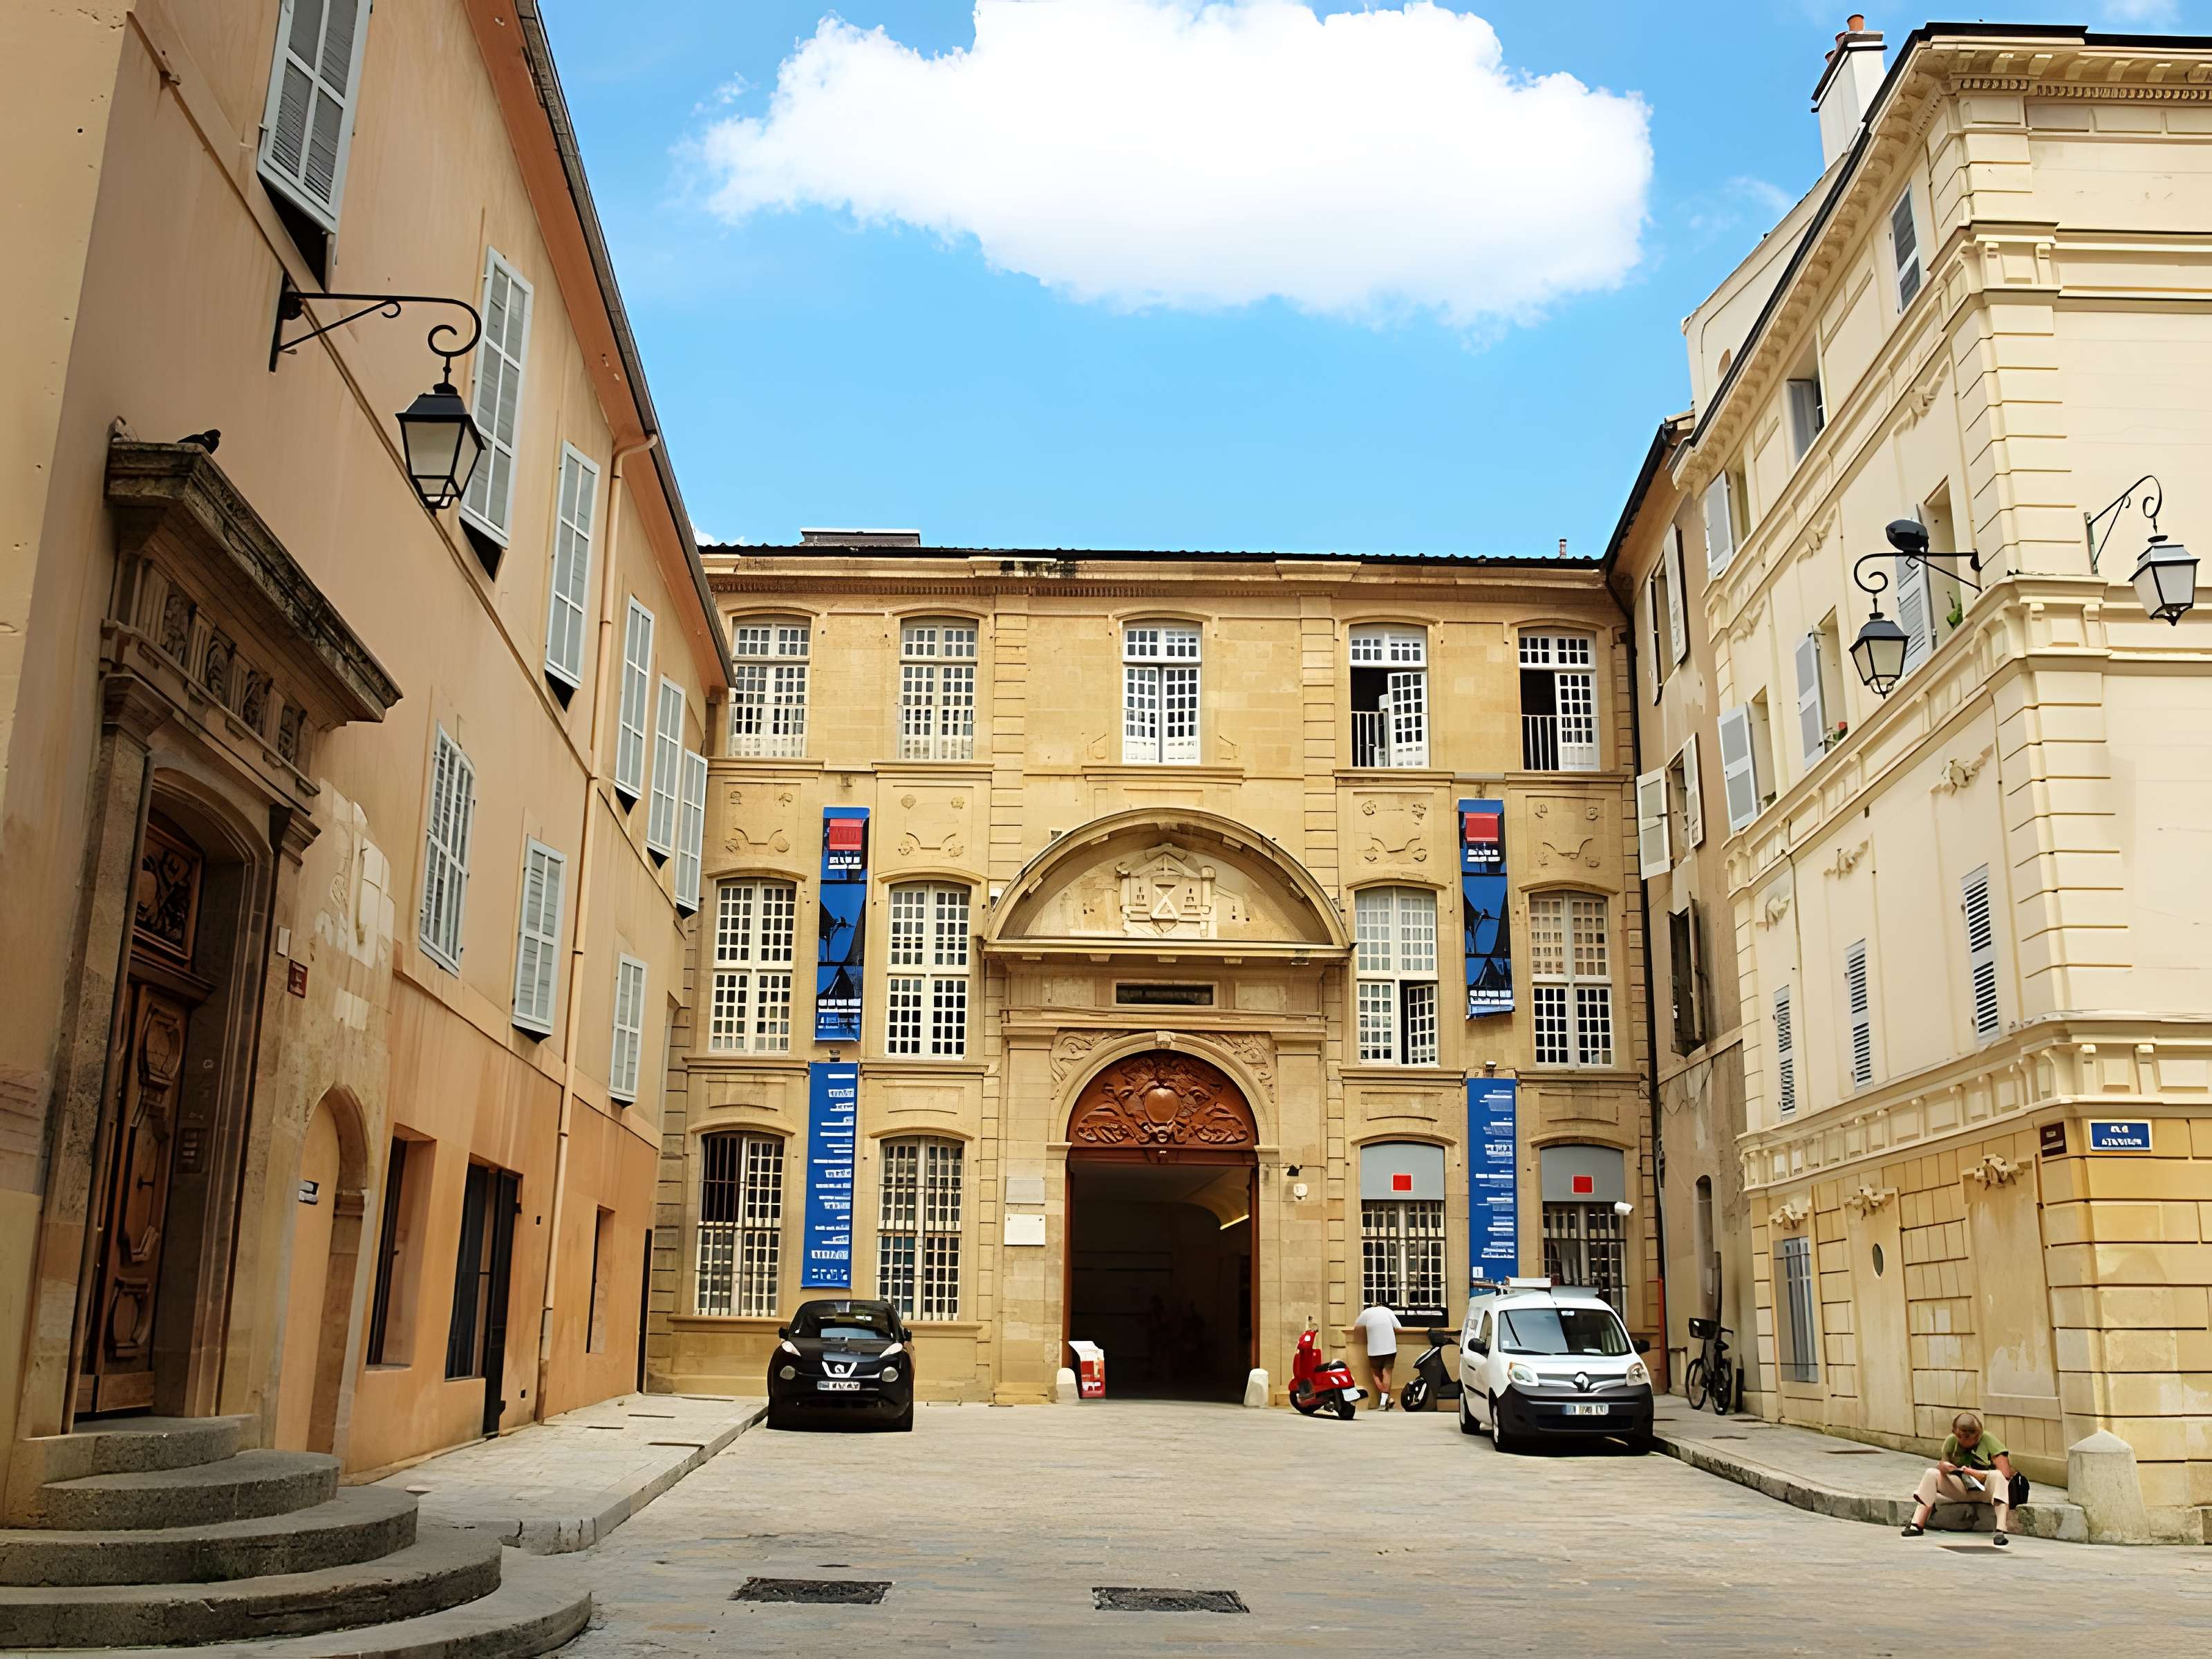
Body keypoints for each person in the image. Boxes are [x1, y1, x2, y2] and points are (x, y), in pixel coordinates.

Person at [1902, 1411, 2019, 1544]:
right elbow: (1942, 1467)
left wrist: (1974, 1473)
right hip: (1962, 1488)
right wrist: (1944, 1467)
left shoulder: (1988, 1439)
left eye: (1973, 1436)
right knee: (1931, 1473)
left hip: (1986, 1491)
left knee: (1998, 1476)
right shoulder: (1952, 1442)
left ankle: (2000, 1531)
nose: (1969, 1440)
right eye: (1964, 1436)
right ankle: (1917, 1525)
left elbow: (2004, 1475)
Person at [1346, 1303, 1405, 1410]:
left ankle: (1384, 1398)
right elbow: (1399, 1328)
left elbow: (1357, 1328)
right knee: (1387, 1372)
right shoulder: (1388, 1311)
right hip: (1390, 1347)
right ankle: (1386, 1399)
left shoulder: (1366, 1312)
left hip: (1374, 1348)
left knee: (1375, 1371)